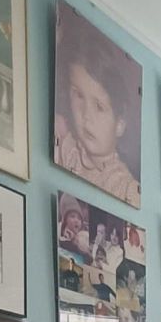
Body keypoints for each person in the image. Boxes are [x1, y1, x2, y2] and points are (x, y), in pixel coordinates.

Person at [54, 13, 141, 207]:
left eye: (99, 107)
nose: (86, 115)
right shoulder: (66, 145)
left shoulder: (124, 189)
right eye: (78, 95)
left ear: (120, 124)